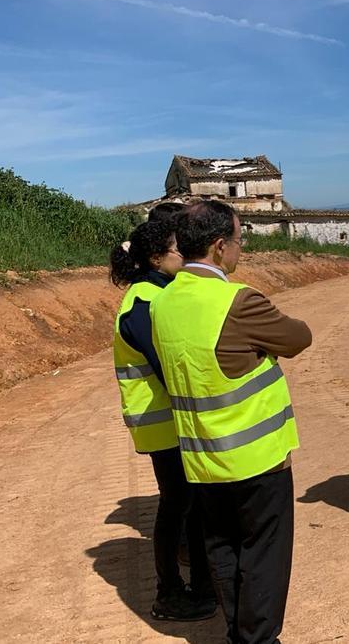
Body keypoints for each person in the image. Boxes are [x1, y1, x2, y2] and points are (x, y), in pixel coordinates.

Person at [152, 200, 311, 644]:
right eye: (240, 240)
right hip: (255, 458)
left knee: (221, 547)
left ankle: (237, 630)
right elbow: (299, 336)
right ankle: (257, 638)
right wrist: (262, 348)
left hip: (201, 457)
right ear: (220, 247)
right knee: (264, 553)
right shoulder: (236, 301)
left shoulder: (162, 303)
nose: (241, 250)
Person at [109, 219, 216, 622]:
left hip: (175, 419)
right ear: (156, 258)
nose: (184, 256)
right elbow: (169, 364)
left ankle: (200, 586)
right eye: (178, 250)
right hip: (163, 423)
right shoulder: (144, 303)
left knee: (188, 506)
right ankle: (169, 592)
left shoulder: (160, 292)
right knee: (178, 507)